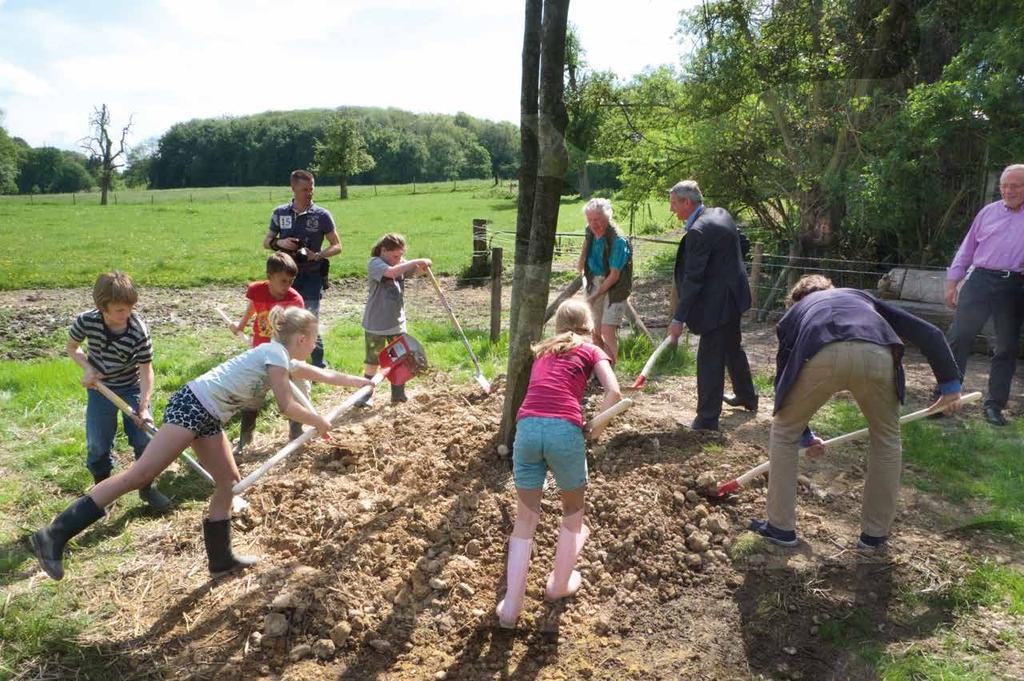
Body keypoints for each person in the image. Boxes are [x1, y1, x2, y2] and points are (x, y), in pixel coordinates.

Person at [31, 307, 373, 581]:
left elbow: (326, 375)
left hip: (209, 415)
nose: (314, 345)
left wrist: (365, 382)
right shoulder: (273, 355)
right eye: (314, 339)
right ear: (301, 338)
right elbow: (286, 405)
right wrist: (320, 420)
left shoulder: (281, 357)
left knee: (228, 483)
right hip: (192, 405)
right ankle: (54, 535)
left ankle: (221, 560)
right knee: (140, 474)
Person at [749, 275, 963, 550]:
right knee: (886, 437)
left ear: (796, 301)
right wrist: (950, 385)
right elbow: (930, 333)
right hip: (877, 354)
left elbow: (785, 378)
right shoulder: (861, 297)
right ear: (832, 289)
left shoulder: (795, 315)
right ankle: (874, 537)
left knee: (783, 432)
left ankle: (780, 528)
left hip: (819, 354)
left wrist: (802, 435)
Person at [496, 300, 621, 628]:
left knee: (525, 520)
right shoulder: (592, 350)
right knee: (572, 514)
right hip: (564, 430)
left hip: (526, 429)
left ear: (557, 327)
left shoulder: (543, 350)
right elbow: (614, 392)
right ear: (590, 326)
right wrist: (595, 426)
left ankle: (510, 610)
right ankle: (558, 585)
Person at [66, 271, 170, 511]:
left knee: (144, 438)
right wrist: (88, 368)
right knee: (97, 444)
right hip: (100, 390)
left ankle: (147, 488)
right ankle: (103, 493)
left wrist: (143, 407)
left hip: (131, 386)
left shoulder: (137, 330)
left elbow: (146, 370)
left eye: (130, 308)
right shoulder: (86, 321)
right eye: (120, 310)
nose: (127, 314)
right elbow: (72, 347)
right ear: (103, 307)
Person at [667, 180, 758, 431]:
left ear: (688, 202)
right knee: (732, 348)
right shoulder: (720, 213)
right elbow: (742, 243)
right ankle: (747, 396)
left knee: (709, 358)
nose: (672, 209)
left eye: (674, 203)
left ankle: (707, 419)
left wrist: (678, 318)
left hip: (716, 305)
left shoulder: (698, 231)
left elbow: (693, 280)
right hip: (734, 295)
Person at [942, 163, 1024, 426]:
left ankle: (994, 406)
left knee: (1006, 347)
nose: (1009, 191)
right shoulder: (987, 212)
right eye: (1005, 186)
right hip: (979, 281)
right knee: (958, 338)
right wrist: (952, 282)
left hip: (1013, 286)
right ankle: (945, 397)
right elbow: (966, 249)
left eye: (1015, 186)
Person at [228, 252, 306, 453]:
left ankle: (296, 431)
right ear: (269, 275)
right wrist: (241, 325)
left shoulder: (294, 300)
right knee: (253, 393)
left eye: (291, 281)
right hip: (260, 353)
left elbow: (298, 332)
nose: (287, 285)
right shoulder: (256, 290)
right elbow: (252, 308)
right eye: (282, 281)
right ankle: (245, 438)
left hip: (285, 354)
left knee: (297, 389)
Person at [264, 169, 341, 368]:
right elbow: (267, 242)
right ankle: (281, 363)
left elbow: (337, 246)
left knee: (310, 319)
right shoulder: (280, 213)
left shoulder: (322, 215)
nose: (309, 193)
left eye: (311, 188)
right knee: (282, 320)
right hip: (285, 278)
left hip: (312, 276)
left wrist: (319, 254)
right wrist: (281, 243)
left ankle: (318, 365)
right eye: (305, 189)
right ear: (293, 188)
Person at [360, 234, 432, 405]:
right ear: (383, 250)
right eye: (395, 256)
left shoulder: (398, 264)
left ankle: (398, 395)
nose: (398, 259)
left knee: (400, 359)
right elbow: (391, 273)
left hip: (397, 324)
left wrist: (425, 265)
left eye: (400, 256)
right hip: (376, 324)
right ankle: (366, 395)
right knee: (372, 360)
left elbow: (417, 271)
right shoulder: (376, 263)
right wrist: (415, 260)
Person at [575, 198, 632, 362]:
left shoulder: (618, 240)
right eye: (590, 219)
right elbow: (587, 242)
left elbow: (614, 276)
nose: (594, 223)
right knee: (595, 330)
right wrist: (581, 263)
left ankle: (610, 371)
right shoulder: (590, 229)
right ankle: (599, 368)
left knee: (607, 331)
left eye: (598, 219)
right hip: (595, 280)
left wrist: (594, 296)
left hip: (615, 287)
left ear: (607, 218)